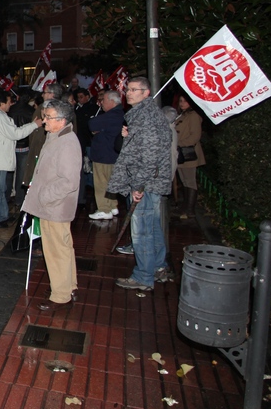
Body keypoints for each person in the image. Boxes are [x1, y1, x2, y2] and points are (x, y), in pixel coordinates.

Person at [108, 77, 174, 291]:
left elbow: (149, 155)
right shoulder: (145, 114)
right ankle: (158, 267)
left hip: (146, 182)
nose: (129, 93)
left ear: (147, 93)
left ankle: (144, 277)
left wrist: (138, 185)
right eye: (128, 89)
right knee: (153, 227)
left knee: (142, 231)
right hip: (151, 181)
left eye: (135, 90)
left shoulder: (146, 116)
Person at [22, 100, 83, 311]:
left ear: (62, 120)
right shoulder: (56, 135)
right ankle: (69, 286)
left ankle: (60, 296)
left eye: (48, 117)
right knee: (63, 247)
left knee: (55, 251)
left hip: (54, 206)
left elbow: (69, 181)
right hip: (52, 204)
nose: (44, 120)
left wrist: (44, 196)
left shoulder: (67, 143)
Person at [0, 92, 39, 228]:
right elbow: (16, 134)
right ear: (2, 103)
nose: (10, 104)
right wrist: (34, 125)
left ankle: (0, 216)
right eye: (8, 102)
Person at [87, 90, 126, 220]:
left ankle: (104, 209)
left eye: (103, 100)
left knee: (101, 183)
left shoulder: (112, 115)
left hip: (104, 155)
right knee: (111, 181)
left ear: (111, 101)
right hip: (113, 155)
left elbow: (92, 124)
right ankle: (112, 205)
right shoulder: (121, 114)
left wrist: (98, 129)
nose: (101, 103)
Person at [173, 94, 205, 219]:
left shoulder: (194, 116)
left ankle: (190, 209)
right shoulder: (182, 115)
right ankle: (186, 206)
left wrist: (179, 144)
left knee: (190, 181)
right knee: (184, 180)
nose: (182, 103)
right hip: (180, 153)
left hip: (188, 153)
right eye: (180, 101)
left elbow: (195, 136)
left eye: (185, 101)